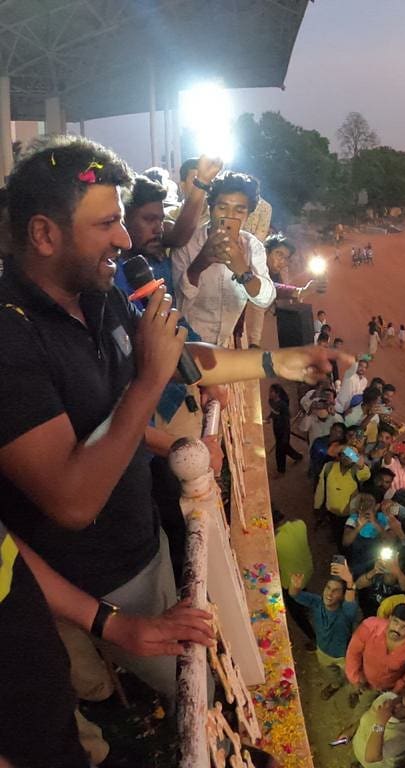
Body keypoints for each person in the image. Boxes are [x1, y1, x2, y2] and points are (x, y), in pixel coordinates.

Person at [0, 135, 350, 705]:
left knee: (203, 664)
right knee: (196, 696)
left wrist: (273, 361)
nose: (125, 237)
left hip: (144, 536)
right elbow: (72, 500)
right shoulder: (10, 338)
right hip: (94, 581)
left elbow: (178, 355)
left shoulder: (99, 292)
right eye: (107, 223)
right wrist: (146, 383)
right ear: (44, 234)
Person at [0, 520, 213, 768]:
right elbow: (75, 509)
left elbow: (9, 552)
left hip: (41, 683)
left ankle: (100, 746)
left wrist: (106, 622)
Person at [171, 171, 276, 345]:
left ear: (248, 215)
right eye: (222, 207)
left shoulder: (252, 246)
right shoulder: (188, 243)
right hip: (186, 344)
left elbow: (265, 298)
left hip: (226, 345)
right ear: (211, 207)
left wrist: (242, 270)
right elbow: (178, 304)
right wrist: (199, 264)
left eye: (240, 210)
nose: (230, 216)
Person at [288, 560, 357, 700]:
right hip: (323, 651)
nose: (329, 594)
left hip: (344, 656)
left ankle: (354, 693)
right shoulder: (317, 602)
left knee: (353, 678)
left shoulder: (346, 612)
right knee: (331, 673)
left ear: (343, 596)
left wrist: (350, 583)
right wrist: (294, 586)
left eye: (336, 590)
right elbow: (295, 595)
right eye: (328, 588)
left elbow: (351, 604)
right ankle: (336, 685)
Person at [345, 603, 405, 707]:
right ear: (390, 618)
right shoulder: (369, 626)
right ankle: (356, 696)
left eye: (404, 627)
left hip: (389, 687)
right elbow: (353, 653)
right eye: (395, 622)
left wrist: (397, 688)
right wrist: (355, 679)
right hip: (364, 679)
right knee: (362, 700)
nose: (397, 629)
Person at [350, 690, 405, 768]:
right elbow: (368, 716)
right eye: (400, 700)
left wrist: (381, 722)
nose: (397, 705)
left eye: (404, 707)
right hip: (357, 745)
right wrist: (351, 729)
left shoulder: (402, 737)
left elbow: (371, 757)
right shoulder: (385, 698)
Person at [272, 508, 315, 647]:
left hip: (291, 583)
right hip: (307, 571)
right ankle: (306, 606)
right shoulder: (300, 525)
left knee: (296, 613)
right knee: (304, 593)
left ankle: (313, 638)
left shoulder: (275, 542)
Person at [313, 445, 371, 543]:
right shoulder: (329, 467)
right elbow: (321, 488)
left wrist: (361, 466)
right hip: (331, 509)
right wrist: (317, 505)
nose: (346, 458)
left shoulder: (357, 471)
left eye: (350, 456)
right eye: (343, 455)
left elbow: (366, 475)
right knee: (335, 527)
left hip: (348, 513)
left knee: (346, 533)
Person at [267, 383, 303, 474]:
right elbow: (273, 412)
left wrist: (285, 435)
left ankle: (281, 470)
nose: (269, 393)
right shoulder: (271, 401)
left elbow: (287, 421)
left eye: (272, 392)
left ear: (277, 393)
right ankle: (298, 457)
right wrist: (269, 417)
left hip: (283, 430)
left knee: (280, 451)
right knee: (285, 447)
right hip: (276, 428)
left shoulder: (283, 405)